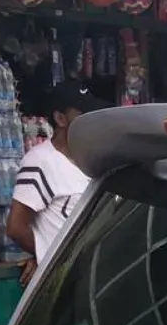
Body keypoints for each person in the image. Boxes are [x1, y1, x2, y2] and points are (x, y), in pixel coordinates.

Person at [6, 79, 110, 285]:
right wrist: (48, 257)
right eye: (83, 115)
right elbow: (16, 227)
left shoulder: (95, 160)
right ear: (60, 119)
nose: (91, 121)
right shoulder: (41, 161)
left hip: (97, 276)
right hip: (68, 283)